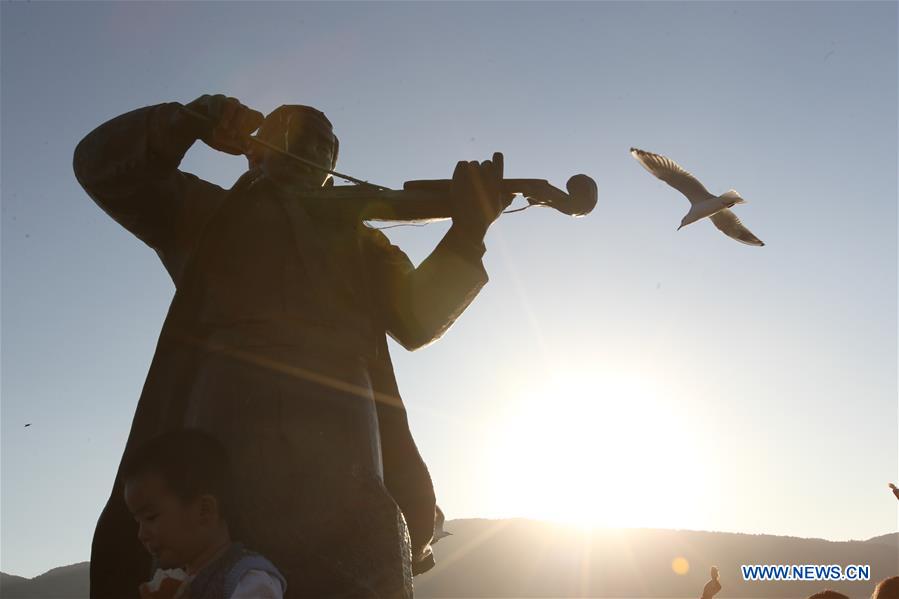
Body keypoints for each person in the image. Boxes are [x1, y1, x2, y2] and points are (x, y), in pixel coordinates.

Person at [74, 94, 512, 598]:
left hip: (344, 410)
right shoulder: (207, 213)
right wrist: (185, 121)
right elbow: (102, 168)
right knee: (223, 544)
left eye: (323, 146)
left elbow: (418, 318)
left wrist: (468, 232)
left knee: (357, 560)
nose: (310, 151)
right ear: (254, 149)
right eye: (292, 137)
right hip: (226, 402)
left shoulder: (362, 244)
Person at [123, 429, 286, 599]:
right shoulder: (180, 582)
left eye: (151, 517)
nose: (141, 535)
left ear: (204, 510)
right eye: (138, 522)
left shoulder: (249, 580)